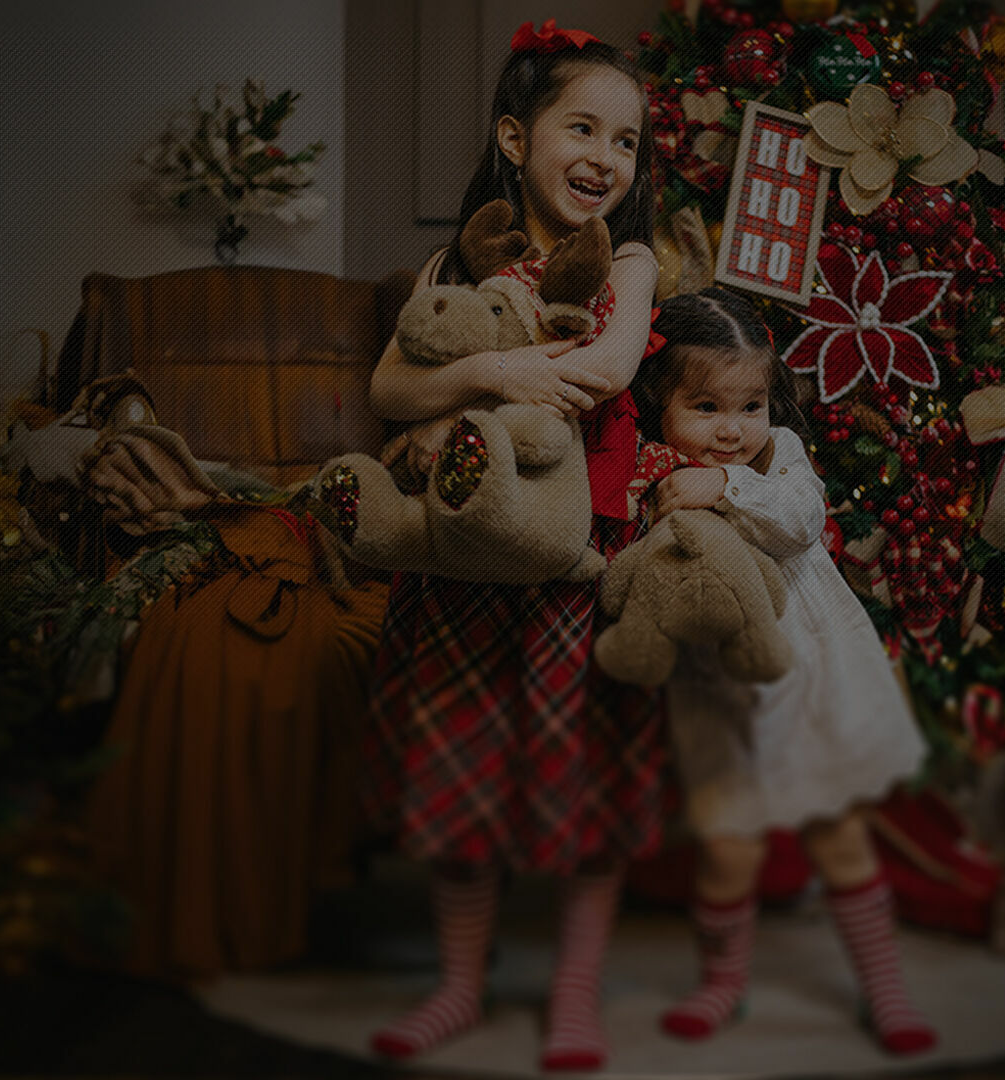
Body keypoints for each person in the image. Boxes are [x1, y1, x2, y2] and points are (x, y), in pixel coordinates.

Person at [358, 21, 663, 1072]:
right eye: (582, 127)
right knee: (458, 780)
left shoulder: (629, 260)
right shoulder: (454, 264)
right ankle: (457, 985)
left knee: (588, 794)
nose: (605, 158)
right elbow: (392, 390)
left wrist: (523, 363)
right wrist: (500, 375)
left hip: (581, 560)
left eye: (627, 142)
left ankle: (573, 995)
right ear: (514, 136)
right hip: (467, 551)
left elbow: (612, 371)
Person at [627, 288, 938, 1055]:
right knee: (728, 853)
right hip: (719, 700)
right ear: (658, 404)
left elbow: (803, 521)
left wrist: (725, 486)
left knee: (841, 840)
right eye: (705, 406)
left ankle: (885, 989)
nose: (732, 429)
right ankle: (722, 980)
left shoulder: (779, 459)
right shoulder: (652, 476)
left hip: (812, 685)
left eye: (752, 404)